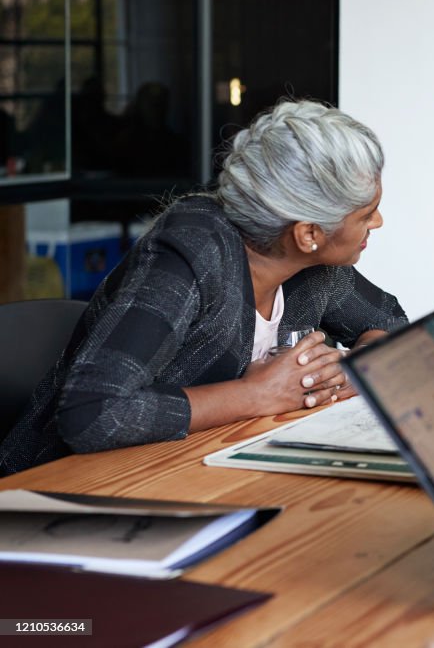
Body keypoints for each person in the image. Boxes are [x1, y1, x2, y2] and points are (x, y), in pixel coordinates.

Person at [0, 100, 406, 475]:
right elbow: (91, 414)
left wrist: (356, 371)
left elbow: (390, 322)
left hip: (192, 472)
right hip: (64, 490)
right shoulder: (190, 256)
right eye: (366, 214)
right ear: (309, 233)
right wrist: (256, 394)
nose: (379, 223)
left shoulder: (313, 268)